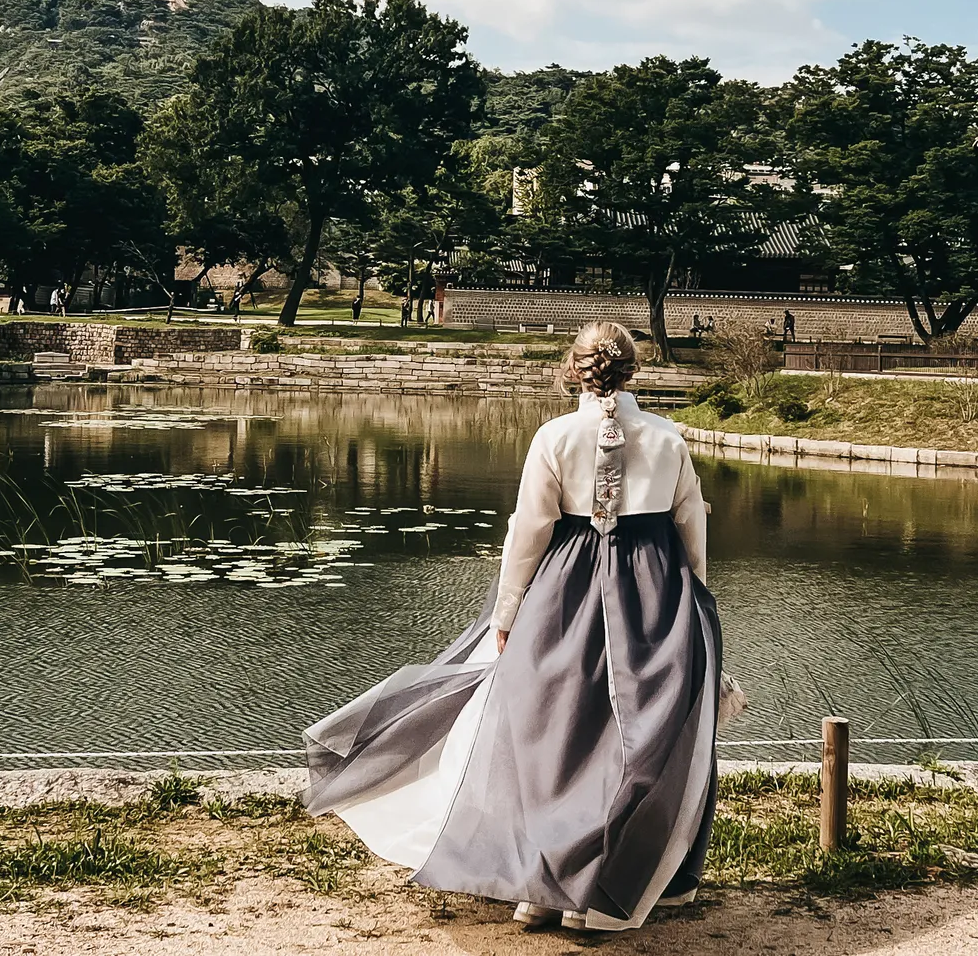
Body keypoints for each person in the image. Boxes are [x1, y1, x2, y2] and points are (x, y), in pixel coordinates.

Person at [305, 320, 734, 933]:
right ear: (634, 372)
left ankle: (542, 886)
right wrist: (690, 598)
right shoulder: (669, 438)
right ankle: (617, 888)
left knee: (549, 737)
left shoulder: (554, 437)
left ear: (571, 371)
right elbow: (692, 528)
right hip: (655, 594)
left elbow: (527, 533)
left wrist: (507, 614)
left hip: (566, 593)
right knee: (640, 738)